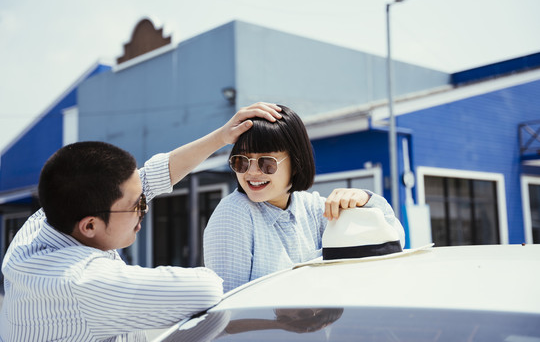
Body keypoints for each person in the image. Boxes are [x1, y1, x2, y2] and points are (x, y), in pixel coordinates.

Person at [0, 102, 282, 342]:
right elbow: (204, 290)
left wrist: (222, 136)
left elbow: (147, 178)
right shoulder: (81, 283)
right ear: (89, 226)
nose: (145, 211)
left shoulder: (50, 218)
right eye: (138, 206)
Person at [203, 105, 405, 293]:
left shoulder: (314, 207)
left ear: (296, 162)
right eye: (242, 162)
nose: (252, 172)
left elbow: (394, 243)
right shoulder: (233, 214)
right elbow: (228, 309)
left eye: (267, 162)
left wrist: (365, 198)